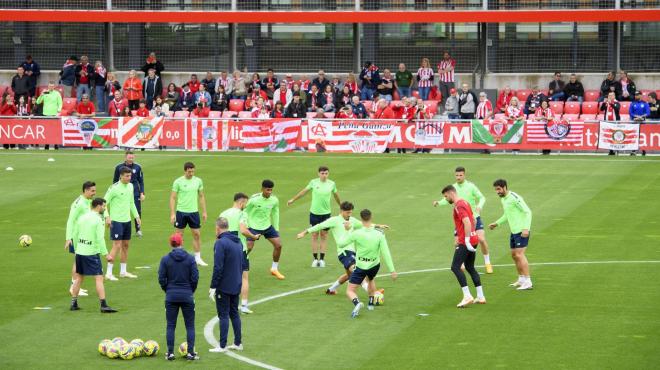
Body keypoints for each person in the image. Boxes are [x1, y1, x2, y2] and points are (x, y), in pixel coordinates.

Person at [297, 201, 388, 295]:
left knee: (349, 275)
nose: (349, 214)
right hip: (344, 252)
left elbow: (363, 224)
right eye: (348, 212)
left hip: (352, 252)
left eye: (351, 212)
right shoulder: (334, 220)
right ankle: (373, 293)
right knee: (359, 271)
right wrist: (304, 232)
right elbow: (319, 226)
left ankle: (331, 289)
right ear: (341, 211)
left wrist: (378, 225)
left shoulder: (352, 220)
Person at [336, 209, 397, 318]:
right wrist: (392, 270)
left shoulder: (356, 233)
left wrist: (346, 230)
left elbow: (341, 244)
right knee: (371, 279)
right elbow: (386, 252)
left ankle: (357, 303)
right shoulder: (379, 234)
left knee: (350, 290)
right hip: (374, 265)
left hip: (361, 266)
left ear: (361, 219)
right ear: (371, 217)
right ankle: (370, 303)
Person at [433, 167, 493, 273]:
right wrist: (438, 202)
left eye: (460, 175)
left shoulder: (471, 186)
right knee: (457, 243)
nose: (458, 177)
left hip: (474, 218)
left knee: (481, 239)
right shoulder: (453, 188)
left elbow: (482, 197)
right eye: (457, 175)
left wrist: (479, 206)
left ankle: (487, 263)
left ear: (464, 175)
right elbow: (447, 199)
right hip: (461, 221)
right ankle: (463, 264)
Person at [440, 185, 486, 308]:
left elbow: (466, 221)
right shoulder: (465, 202)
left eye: (445, 196)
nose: (445, 199)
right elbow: (474, 220)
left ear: (451, 193)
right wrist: (471, 235)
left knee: (455, 267)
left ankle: (467, 296)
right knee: (470, 267)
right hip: (474, 238)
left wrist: (465, 239)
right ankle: (480, 296)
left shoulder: (458, 206)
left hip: (466, 241)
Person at [70, 197, 118, 313]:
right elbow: (100, 239)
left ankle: (74, 303)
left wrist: (77, 249)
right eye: (104, 206)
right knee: (99, 278)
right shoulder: (98, 220)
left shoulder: (82, 217)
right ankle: (103, 305)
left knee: (79, 278)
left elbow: (75, 234)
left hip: (80, 252)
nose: (105, 208)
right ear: (98, 206)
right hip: (91, 253)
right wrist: (106, 254)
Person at [288, 166, 341, 268]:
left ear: (328, 174)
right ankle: (314, 259)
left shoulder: (332, 184)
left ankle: (322, 260)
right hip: (314, 213)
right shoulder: (313, 182)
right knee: (314, 235)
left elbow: (336, 196)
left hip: (326, 214)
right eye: (322, 173)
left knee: (324, 236)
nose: (324, 175)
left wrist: (341, 207)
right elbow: (303, 192)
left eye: (326, 173)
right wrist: (293, 199)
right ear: (318, 174)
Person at [158, 233, 199, 361]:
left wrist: (168, 290)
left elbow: (161, 278)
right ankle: (191, 353)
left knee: (170, 325)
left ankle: (170, 353)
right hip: (187, 295)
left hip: (171, 296)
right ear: (182, 242)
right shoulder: (190, 258)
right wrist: (190, 291)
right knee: (190, 325)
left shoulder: (165, 259)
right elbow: (195, 278)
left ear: (171, 244)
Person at [219, 193, 261, 314]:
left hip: (224, 249)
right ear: (241, 202)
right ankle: (243, 306)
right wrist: (254, 236)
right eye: (245, 204)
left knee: (226, 276)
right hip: (238, 249)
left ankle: (225, 305)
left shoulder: (223, 214)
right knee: (244, 277)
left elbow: (218, 233)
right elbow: (243, 230)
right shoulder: (242, 214)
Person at [488, 179, 533, 290]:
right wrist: (496, 223)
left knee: (519, 255)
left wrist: (526, 228)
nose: (497, 192)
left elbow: (528, 212)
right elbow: (507, 214)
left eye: (499, 189)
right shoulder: (504, 199)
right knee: (514, 255)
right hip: (514, 232)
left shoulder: (514, 197)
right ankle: (521, 279)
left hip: (521, 231)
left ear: (505, 187)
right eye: (496, 190)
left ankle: (528, 281)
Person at [209, 217, 244, 353]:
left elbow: (218, 267)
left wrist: (213, 286)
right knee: (234, 313)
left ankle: (222, 345)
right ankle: (237, 343)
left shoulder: (220, 243)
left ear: (218, 228)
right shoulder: (238, 242)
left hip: (224, 286)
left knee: (223, 315)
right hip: (236, 284)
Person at [103, 166, 141, 280]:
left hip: (127, 221)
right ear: (121, 176)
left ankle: (123, 272)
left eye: (130, 176)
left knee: (126, 245)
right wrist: (107, 217)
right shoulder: (114, 188)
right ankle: (109, 273)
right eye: (127, 176)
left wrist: (137, 216)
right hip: (116, 221)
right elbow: (103, 204)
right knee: (117, 245)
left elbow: (131, 202)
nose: (129, 178)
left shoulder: (130, 186)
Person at [245, 180, 285, 280]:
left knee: (278, 245)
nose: (269, 192)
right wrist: (245, 225)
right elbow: (245, 211)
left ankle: (274, 269)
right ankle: (237, 265)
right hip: (253, 226)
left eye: (271, 190)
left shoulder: (274, 200)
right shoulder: (254, 199)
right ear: (262, 189)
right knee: (248, 248)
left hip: (267, 226)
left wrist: (276, 229)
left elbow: (275, 214)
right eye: (267, 190)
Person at [170, 162, 208, 266]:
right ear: (185, 171)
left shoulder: (198, 181)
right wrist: (173, 213)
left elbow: (201, 196)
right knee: (179, 236)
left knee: (197, 234)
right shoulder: (178, 182)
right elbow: (173, 197)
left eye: (193, 171)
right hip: (181, 212)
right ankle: (178, 256)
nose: (191, 173)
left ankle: (198, 258)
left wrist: (204, 211)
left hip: (194, 212)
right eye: (189, 171)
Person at [65, 181, 96, 297]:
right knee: (78, 262)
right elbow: (70, 220)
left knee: (79, 262)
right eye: (92, 191)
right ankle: (73, 287)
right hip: (77, 237)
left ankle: (76, 286)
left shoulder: (88, 201)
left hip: (84, 235)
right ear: (86, 190)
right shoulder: (78, 204)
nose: (94, 193)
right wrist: (68, 238)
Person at [113, 151, 145, 236]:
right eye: (129, 157)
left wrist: (142, 193)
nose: (131, 159)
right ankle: (121, 228)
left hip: (135, 192)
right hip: (122, 193)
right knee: (122, 210)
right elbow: (115, 181)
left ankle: (138, 229)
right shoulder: (119, 167)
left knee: (137, 210)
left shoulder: (138, 167)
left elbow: (141, 181)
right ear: (125, 157)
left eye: (132, 158)